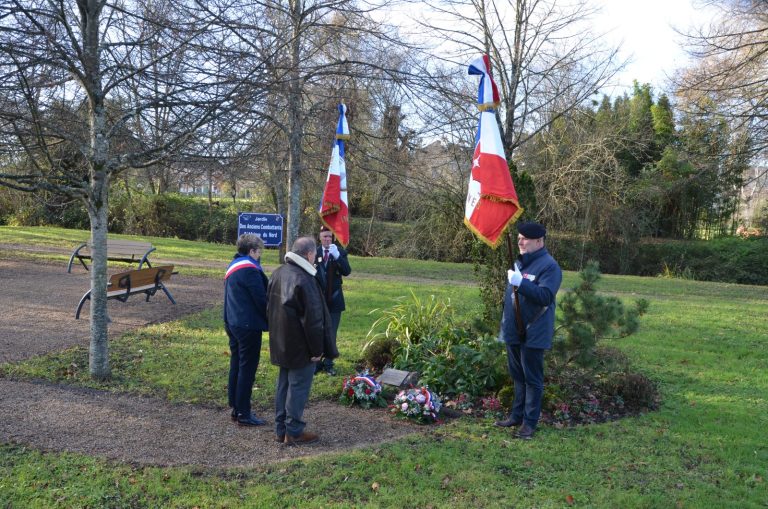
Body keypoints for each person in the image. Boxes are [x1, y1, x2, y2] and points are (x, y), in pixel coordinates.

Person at [495, 221, 562, 440]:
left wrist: (520, 283)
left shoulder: (549, 266)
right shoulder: (520, 263)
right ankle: (516, 416)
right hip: (514, 329)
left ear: (539, 241)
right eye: (519, 238)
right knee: (517, 376)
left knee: (532, 378)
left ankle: (529, 424)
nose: (520, 242)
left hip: (535, 330)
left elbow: (545, 296)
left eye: (525, 239)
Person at [267, 236, 336, 445]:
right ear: (308, 254)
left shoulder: (278, 272)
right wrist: (317, 350)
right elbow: (313, 320)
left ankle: (281, 429)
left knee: (283, 385)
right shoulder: (305, 279)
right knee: (297, 387)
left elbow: (268, 307)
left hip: (280, 341)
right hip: (301, 345)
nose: (315, 257)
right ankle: (294, 431)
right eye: (314, 254)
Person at [224, 233, 269, 427]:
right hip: (247, 325)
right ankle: (243, 412)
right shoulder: (250, 270)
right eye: (259, 251)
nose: (260, 255)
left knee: (237, 364)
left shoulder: (234, 265)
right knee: (247, 369)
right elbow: (261, 300)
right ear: (252, 251)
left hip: (233, 322)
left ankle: (235, 405)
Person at [313, 225, 352, 376]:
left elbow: (347, 271)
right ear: (320, 238)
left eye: (330, 237)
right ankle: (316, 363)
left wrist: (337, 257)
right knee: (317, 330)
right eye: (325, 237)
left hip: (335, 299)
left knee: (331, 332)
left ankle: (329, 362)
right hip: (317, 300)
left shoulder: (339, 252)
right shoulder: (314, 252)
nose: (327, 239)